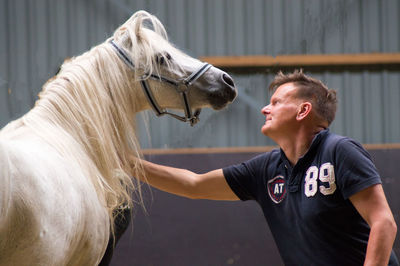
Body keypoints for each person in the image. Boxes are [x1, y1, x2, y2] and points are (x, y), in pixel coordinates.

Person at [132, 69, 398, 265]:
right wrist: (126, 163)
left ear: (303, 111)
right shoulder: (266, 169)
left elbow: (384, 222)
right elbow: (193, 185)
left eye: (276, 102)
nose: (264, 109)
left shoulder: (340, 151)